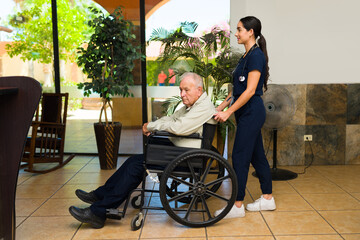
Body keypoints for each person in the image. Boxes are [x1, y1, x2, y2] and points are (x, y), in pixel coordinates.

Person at [69, 72, 216, 228]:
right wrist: (152, 124)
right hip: (180, 151)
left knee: (137, 166)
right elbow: (172, 118)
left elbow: (178, 127)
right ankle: (100, 195)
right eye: (181, 90)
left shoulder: (202, 107)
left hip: (186, 158)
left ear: (199, 90)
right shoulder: (194, 104)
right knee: (134, 160)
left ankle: (98, 212)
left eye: (186, 90)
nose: (182, 94)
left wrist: (152, 126)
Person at [213, 16, 276, 218]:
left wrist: (228, 112)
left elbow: (249, 92)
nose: (236, 33)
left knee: (240, 156)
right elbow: (237, 90)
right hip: (245, 111)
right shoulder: (246, 56)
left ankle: (237, 205)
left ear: (251, 32)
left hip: (252, 111)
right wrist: (221, 106)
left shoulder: (256, 56)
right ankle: (268, 198)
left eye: (239, 29)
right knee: (257, 156)